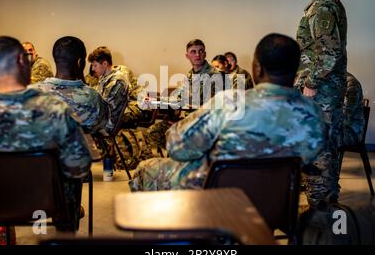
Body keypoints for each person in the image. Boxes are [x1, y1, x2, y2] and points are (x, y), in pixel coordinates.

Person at [129, 33, 327, 194]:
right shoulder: (314, 116)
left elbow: (177, 149)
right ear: (297, 70)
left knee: (144, 170)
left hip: (220, 197)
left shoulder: (229, 103)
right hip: (275, 201)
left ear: (256, 69)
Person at [0, 36, 92, 244]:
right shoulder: (57, 111)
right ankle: (63, 238)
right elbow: (79, 166)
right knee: (71, 181)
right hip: (46, 202)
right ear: (23, 61)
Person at [294, 0, 348, 207]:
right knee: (324, 148)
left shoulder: (323, 8)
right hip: (324, 92)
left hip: (321, 94)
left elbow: (330, 53)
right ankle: (324, 205)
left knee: (320, 150)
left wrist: (311, 84)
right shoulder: (322, 6)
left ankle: (321, 211)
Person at [145, 39, 221, 154]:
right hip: (187, 119)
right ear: (187, 55)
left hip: (203, 124)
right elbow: (178, 97)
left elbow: (211, 109)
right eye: (193, 52)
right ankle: (180, 159)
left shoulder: (214, 76)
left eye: (201, 51)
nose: (197, 55)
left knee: (174, 134)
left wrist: (184, 123)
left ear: (205, 54)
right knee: (153, 132)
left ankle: (188, 159)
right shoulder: (190, 75)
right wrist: (157, 100)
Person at [32, 36, 112, 136]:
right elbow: (102, 127)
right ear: (80, 62)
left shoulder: (31, 93)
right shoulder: (93, 98)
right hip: (78, 150)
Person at [343, 72, 365, 147]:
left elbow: (346, 117)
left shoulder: (352, 84)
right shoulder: (337, 81)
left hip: (352, 132)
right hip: (342, 128)